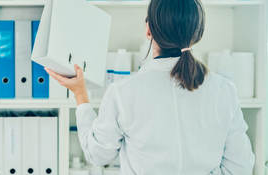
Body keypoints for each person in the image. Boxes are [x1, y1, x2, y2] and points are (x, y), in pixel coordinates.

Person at [45, 0, 255, 174]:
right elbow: (241, 166)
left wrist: (80, 95)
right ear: (197, 34)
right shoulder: (223, 90)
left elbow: (99, 154)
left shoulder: (123, 92)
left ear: (148, 29)